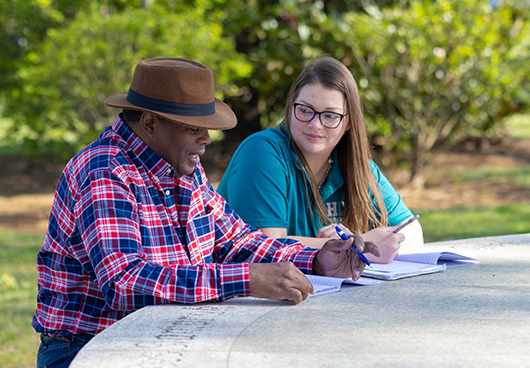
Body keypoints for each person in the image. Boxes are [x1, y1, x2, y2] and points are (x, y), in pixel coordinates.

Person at [32, 57, 378, 368]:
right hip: (90, 349)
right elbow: (125, 282)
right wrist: (248, 278)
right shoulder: (106, 171)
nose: (207, 138)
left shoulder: (182, 165)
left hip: (165, 340)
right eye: (194, 127)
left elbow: (234, 240)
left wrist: (315, 261)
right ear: (150, 123)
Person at [218, 57, 423, 263]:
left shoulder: (357, 166)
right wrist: (357, 246)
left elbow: (412, 231)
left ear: (349, 122)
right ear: (291, 108)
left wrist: (352, 245)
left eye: (330, 116)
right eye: (305, 110)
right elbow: (264, 248)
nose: (315, 125)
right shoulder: (262, 152)